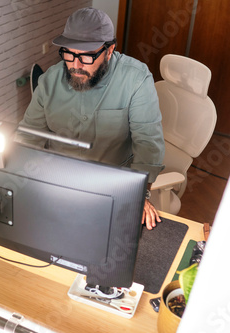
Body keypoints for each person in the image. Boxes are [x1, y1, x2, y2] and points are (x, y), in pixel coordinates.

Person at [17, 7, 165, 230]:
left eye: (86, 56)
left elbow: (148, 143)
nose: (76, 65)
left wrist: (139, 195)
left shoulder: (136, 79)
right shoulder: (49, 82)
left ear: (109, 50)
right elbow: (27, 138)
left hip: (114, 189)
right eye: (69, 53)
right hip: (58, 186)